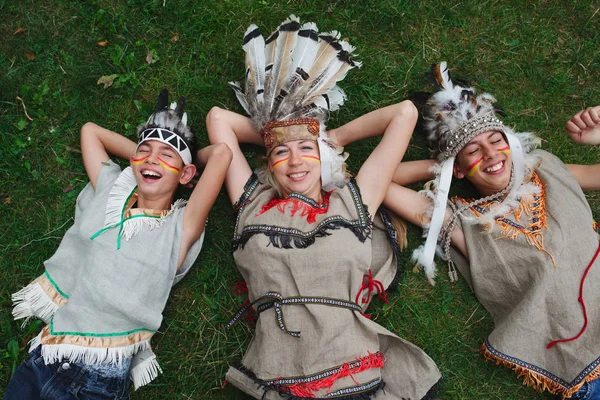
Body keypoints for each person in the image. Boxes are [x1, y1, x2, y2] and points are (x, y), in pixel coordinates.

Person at [207, 15, 440, 400]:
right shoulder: (251, 203)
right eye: (281, 153)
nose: (296, 160)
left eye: (305, 151)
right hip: (275, 375)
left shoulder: (353, 200)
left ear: (324, 159)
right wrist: (280, 129)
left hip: (351, 374)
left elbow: (404, 114)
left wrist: (329, 136)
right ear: (269, 163)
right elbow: (218, 120)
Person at [384, 62, 600, 399]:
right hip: (585, 366)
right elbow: (376, 181)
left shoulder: (547, 170)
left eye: (495, 140)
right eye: (472, 151)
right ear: (459, 168)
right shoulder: (458, 219)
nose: (489, 155)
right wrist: (443, 164)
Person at [5, 89, 232, 399]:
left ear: (186, 173)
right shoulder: (112, 188)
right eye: (145, 150)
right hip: (45, 354)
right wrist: (145, 156)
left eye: (166, 155)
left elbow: (221, 154)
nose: (153, 158)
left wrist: (189, 163)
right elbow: (91, 132)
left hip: (97, 379)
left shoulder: (180, 227)